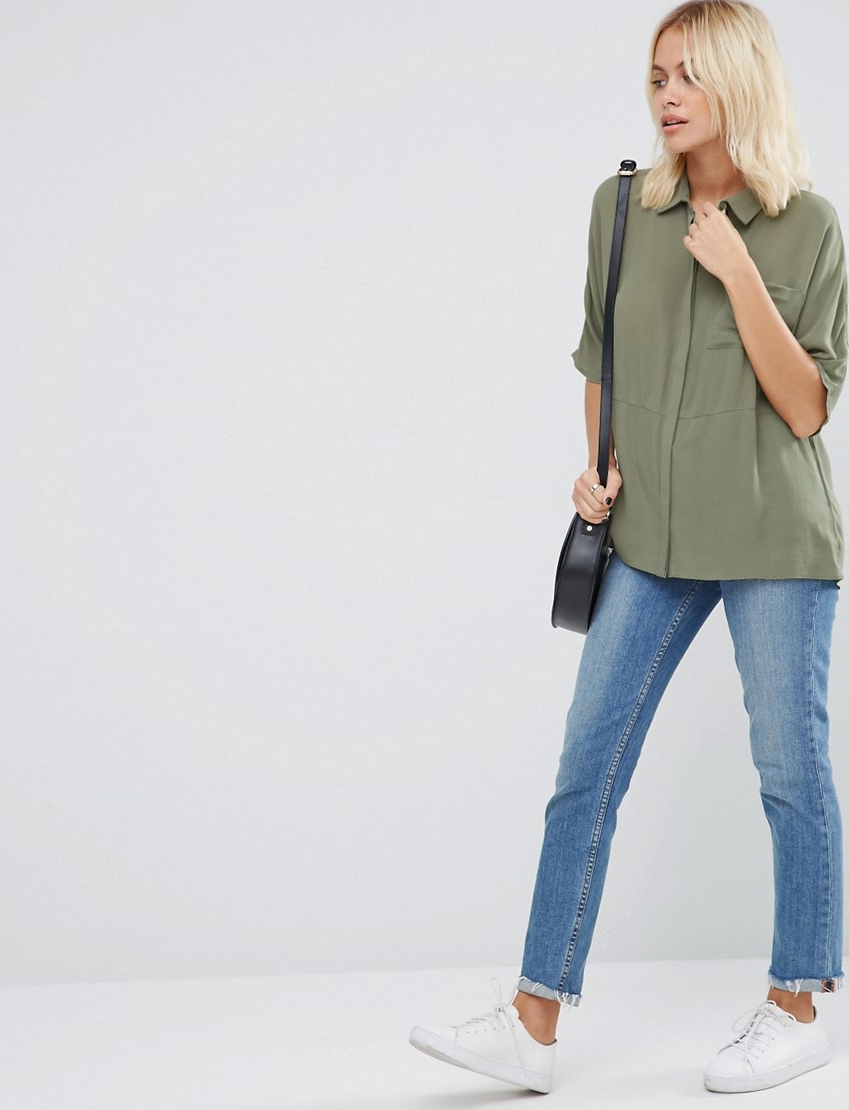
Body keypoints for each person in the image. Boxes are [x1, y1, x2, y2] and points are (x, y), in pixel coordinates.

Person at [409, 0, 847, 1096]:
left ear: (739, 82)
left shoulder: (807, 226)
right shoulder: (618, 210)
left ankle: (802, 1002)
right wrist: (595, 471)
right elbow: (600, 360)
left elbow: (806, 407)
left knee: (789, 769)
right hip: (649, 537)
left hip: (770, 536)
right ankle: (533, 1020)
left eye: (688, 75)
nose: (666, 96)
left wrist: (736, 268)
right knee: (585, 769)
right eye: (656, 76)